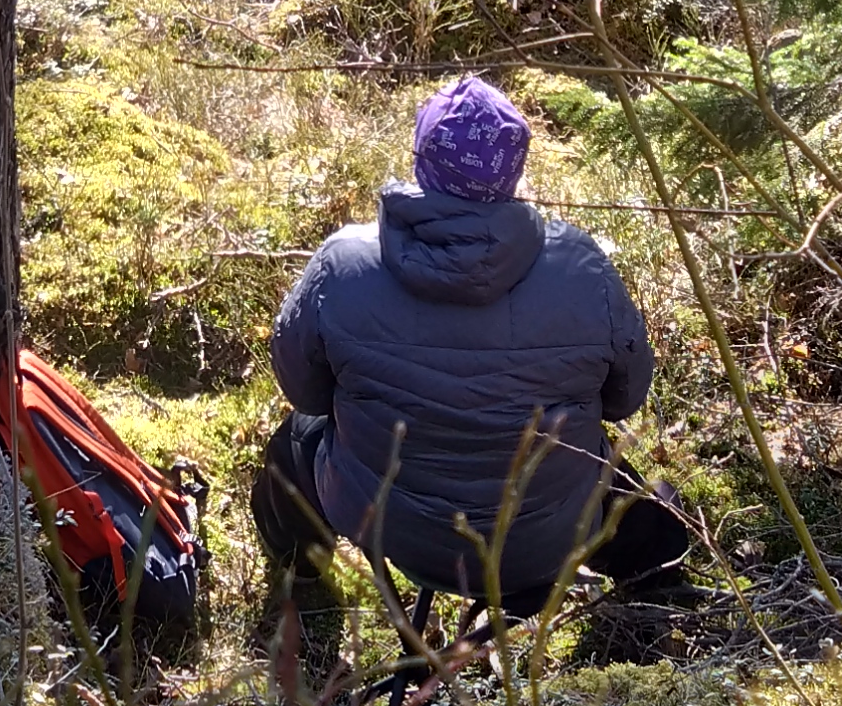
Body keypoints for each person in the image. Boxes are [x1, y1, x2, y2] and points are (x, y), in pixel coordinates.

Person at [253, 72, 693, 625]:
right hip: (542, 538)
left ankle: (300, 569)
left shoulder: (342, 264)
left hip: (389, 525)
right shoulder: (583, 268)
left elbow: (304, 392)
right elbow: (623, 400)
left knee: (293, 442)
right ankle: (661, 589)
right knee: (633, 495)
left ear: (422, 157)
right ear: (514, 168)